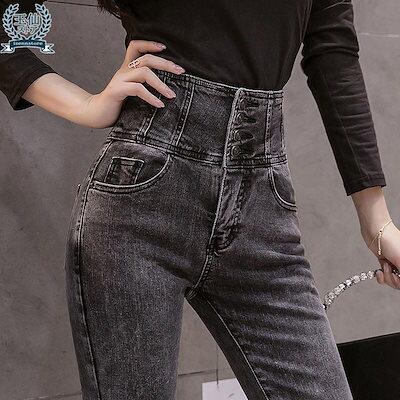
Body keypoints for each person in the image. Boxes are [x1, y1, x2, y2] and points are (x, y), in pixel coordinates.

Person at [1, 0, 399, 399]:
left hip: (261, 201)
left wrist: (377, 223)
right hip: (143, 196)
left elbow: (334, 55)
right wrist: (84, 105)